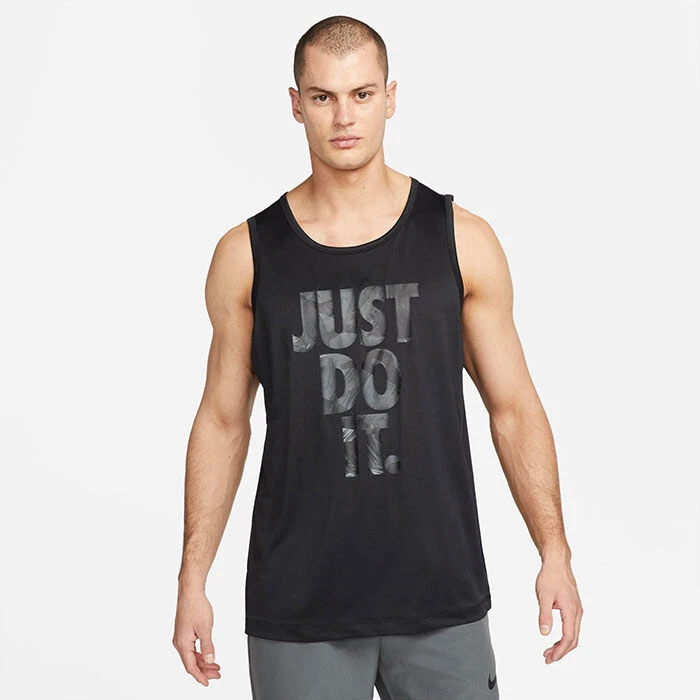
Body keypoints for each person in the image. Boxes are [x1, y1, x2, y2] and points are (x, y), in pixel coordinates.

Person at [172, 14, 583, 699]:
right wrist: (192, 578)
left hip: (440, 594)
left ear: (390, 98)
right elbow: (222, 421)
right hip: (300, 602)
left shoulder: (460, 240)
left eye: (362, 94)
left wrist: (555, 551)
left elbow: (513, 408)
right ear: (296, 104)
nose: (344, 117)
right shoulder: (247, 256)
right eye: (324, 96)